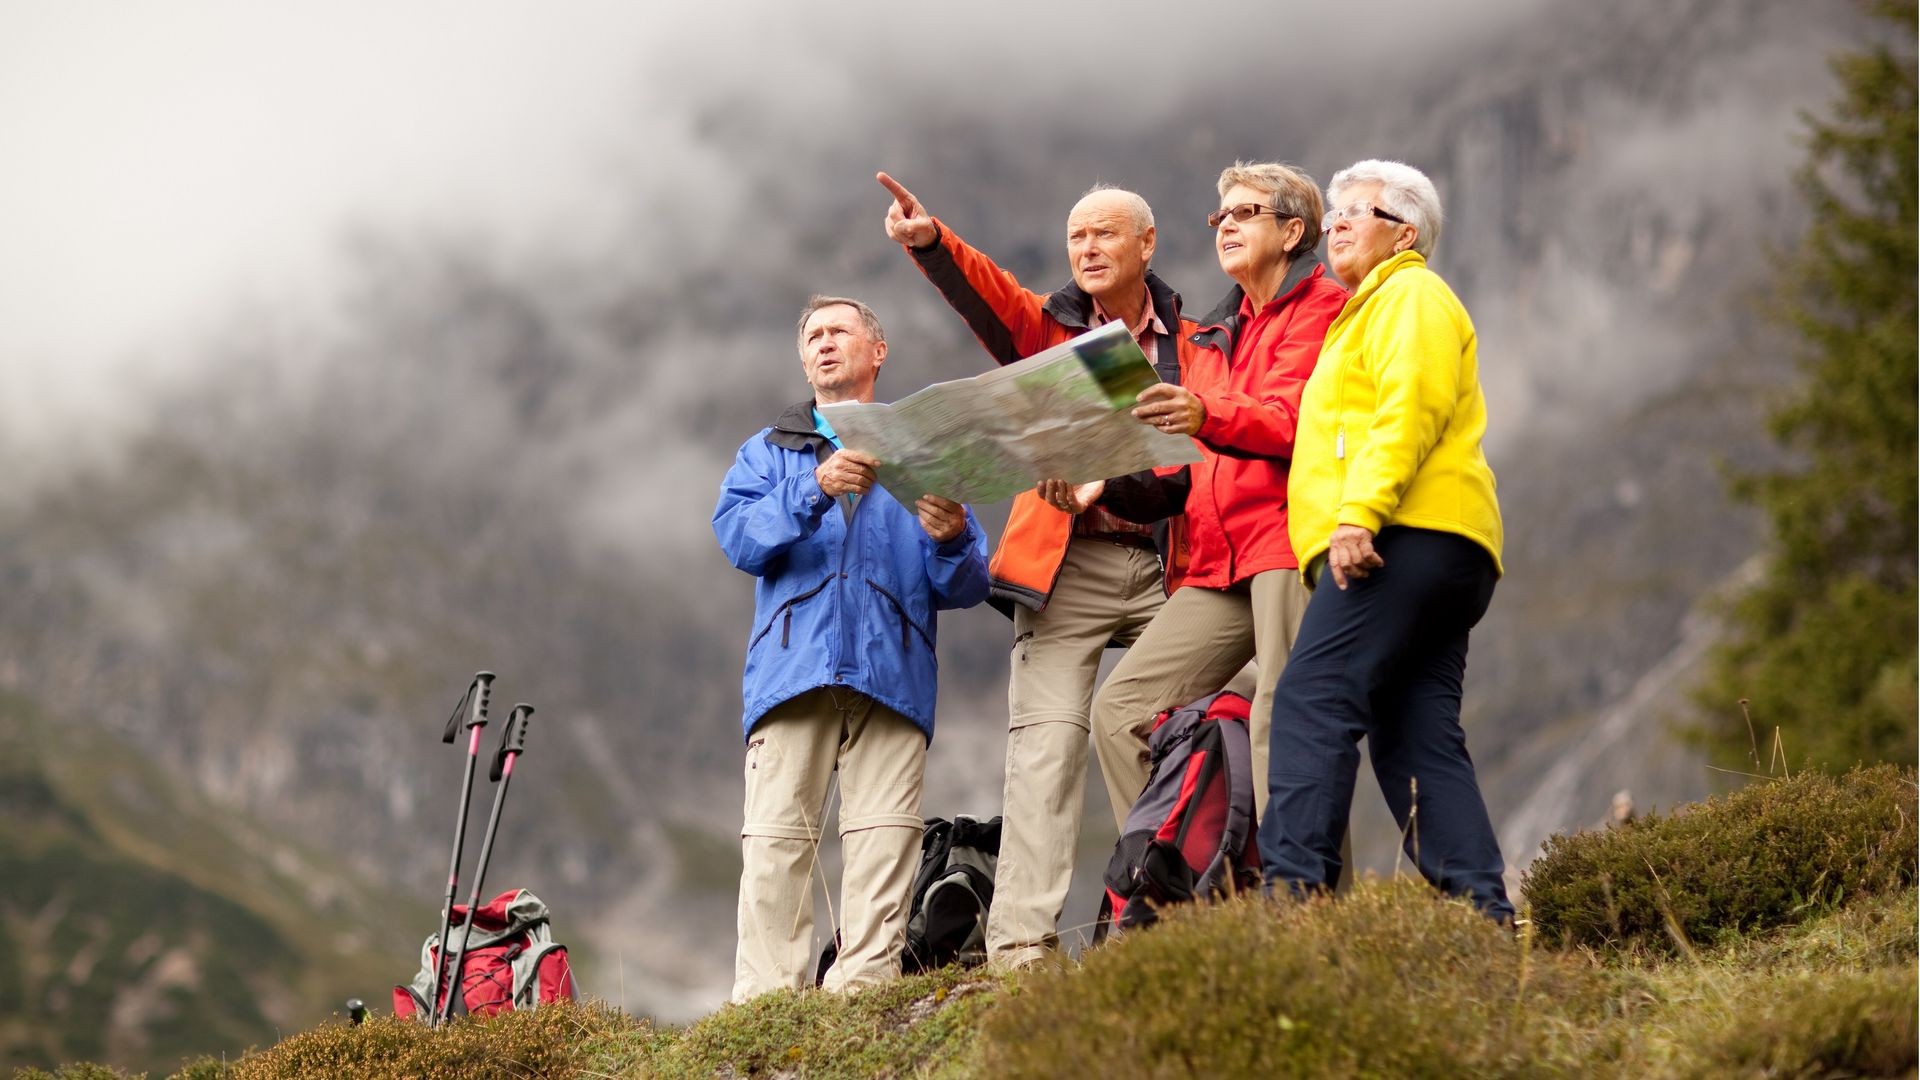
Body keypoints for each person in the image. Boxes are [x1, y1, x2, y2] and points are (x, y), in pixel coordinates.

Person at [877, 171, 1204, 971]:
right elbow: (992, 298)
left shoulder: (1195, 345)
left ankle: (1179, 919)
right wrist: (933, 243)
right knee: (1044, 748)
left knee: (1191, 733)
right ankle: (1022, 947)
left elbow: (1205, 455)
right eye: (1076, 238)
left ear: (1145, 245)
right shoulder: (1050, 334)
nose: (1086, 249)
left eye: (1103, 235)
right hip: (1069, 567)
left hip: (1173, 563)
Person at [1257, 159, 1515, 922]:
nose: (1334, 222)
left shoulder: (1408, 294)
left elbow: (1410, 406)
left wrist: (1358, 514)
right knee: (1415, 740)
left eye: (1354, 211)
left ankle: (1290, 906)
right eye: (1332, 212)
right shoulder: (1369, 308)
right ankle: (1484, 918)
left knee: (1310, 700)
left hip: (1400, 535)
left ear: (1404, 232)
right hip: (1446, 547)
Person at [713, 295, 991, 1000]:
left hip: (892, 669)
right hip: (791, 669)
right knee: (777, 840)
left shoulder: (925, 452)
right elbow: (738, 538)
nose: (824, 344)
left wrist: (952, 534)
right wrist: (812, 488)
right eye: (812, 336)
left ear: (878, 351)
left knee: (885, 834)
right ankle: (768, 996)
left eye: (839, 332)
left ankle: (863, 985)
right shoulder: (770, 451)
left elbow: (965, 584)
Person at [1084, 162, 1347, 830]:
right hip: (1216, 559)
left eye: (1244, 213)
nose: (1225, 224)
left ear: (1293, 232)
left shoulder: (1323, 310)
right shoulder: (1217, 332)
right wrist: (1102, 484)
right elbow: (1184, 470)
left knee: (1284, 718)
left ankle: (1304, 910)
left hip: (1286, 543)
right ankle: (1169, 889)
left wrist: (1203, 412)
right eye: (1219, 216)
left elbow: (1291, 424)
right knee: (1119, 712)